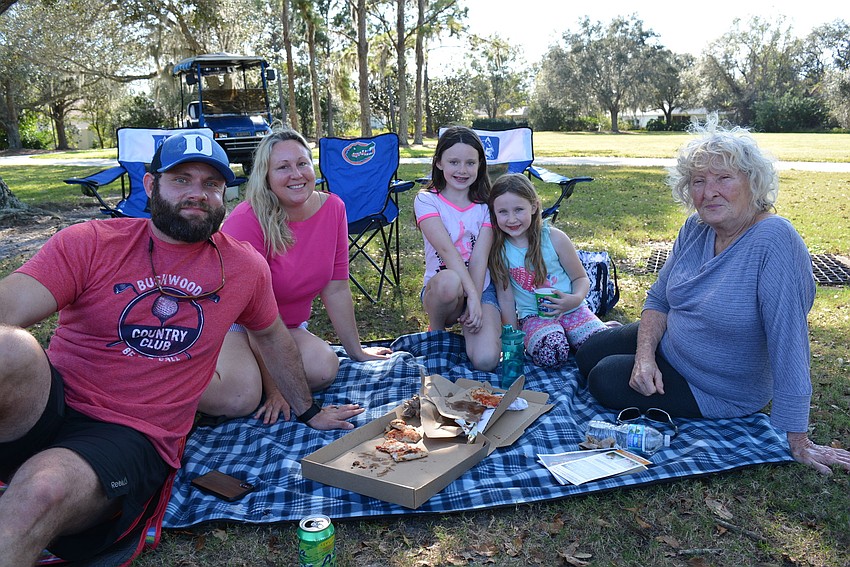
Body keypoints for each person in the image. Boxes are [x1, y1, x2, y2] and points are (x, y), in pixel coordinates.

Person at [0, 131, 363, 566]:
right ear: (151, 185)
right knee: (10, 347)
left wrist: (308, 411)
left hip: (127, 433)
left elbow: (271, 336)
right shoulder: (90, 242)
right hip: (50, 400)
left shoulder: (243, 267)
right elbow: (9, 307)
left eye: (211, 184)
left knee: (42, 490)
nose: (198, 194)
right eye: (181, 179)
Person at [575, 117, 850, 475]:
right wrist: (645, 356)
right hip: (674, 341)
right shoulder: (696, 228)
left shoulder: (774, 242)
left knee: (604, 377)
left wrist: (798, 439)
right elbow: (659, 299)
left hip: (716, 385)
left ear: (752, 183)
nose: (709, 192)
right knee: (586, 353)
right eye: (699, 181)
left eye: (724, 178)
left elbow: (789, 342)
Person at [199, 129, 391, 424]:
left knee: (324, 367)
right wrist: (280, 390)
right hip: (234, 324)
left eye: (302, 163)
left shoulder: (333, 209)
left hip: (286, 327)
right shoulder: (246, 220)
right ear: (266, 176)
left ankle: (249, 377)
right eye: (283, 167)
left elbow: (337, 287)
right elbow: (251, 316)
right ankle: (170, 379)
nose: (295, 174)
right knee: (240, 397)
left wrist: (357, 351)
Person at [488, 173, 611, 368]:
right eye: (503, 212)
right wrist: (513, 337)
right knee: (551, 354)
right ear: (494, 213)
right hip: (533, 317)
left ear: (534, 206)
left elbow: (580, 278)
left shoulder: (555, 238)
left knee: (601, 351)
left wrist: (575, 298)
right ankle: (567, 337)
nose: (511, 219)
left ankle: (592, 331)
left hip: (572, 309)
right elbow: (506, 298)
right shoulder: (499, 249)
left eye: (519, 209)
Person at [413, 126, 501, 371]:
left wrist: (476, 298)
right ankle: (437, 334)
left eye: (470, 163)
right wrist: (469, 296)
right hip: (445, 293)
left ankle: (472, 328)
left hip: (481, 285)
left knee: (486, 361)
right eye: (454, 162)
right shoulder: (426, 199)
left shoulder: (485, 205)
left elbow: (479, 258)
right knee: (449, 281)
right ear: (439, 163)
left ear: (480, 165)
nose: (462, 170)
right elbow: (447, 252)